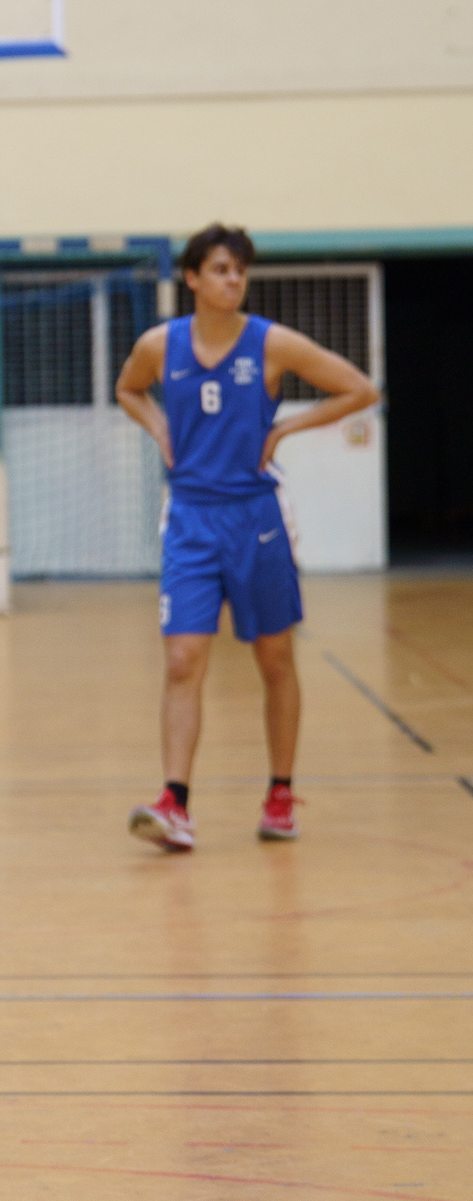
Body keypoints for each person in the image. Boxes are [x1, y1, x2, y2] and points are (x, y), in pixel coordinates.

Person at [116, 223, 378, 852]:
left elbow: (360, 388)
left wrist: (286, 429)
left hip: (255, 519)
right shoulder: (160, 345)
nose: (233, 279)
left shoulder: (270, 343)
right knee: (183, 660)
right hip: (190, 519)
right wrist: (158, 428)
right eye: (221, 269)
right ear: (192, 278)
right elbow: (127, 388)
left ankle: (280, 795)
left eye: (240, 270)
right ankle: (175, 804)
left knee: (274, 659)